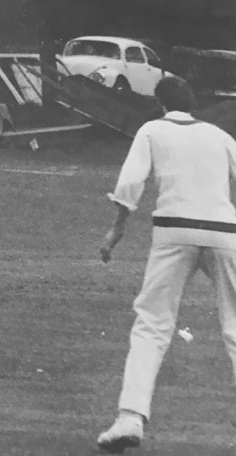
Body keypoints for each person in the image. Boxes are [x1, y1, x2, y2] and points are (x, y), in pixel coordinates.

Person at [96, 76, 236, 452]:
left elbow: (130, 182)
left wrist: (117, 229)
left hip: (173, 231)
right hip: (225, 232)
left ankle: (130, 419)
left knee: (152, 324)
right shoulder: (220, 136)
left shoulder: (152, 129)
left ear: (160, 104)